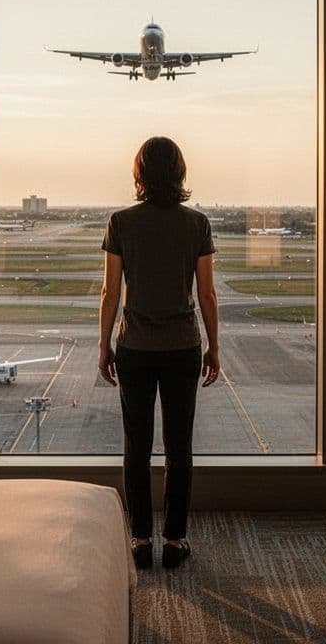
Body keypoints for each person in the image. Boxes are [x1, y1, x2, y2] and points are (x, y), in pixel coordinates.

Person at [99, 136, 219, 570]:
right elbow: (206, 293)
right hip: (182, 347)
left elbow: (111, 292)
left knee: (136, 448)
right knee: (179, 448)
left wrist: (103, 344)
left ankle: (139, 539)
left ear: (139, 175)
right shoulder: (197, 224)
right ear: (180, 173)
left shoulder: (120, 222)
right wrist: (214, 347)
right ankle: (174, 540)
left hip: (134, 347)